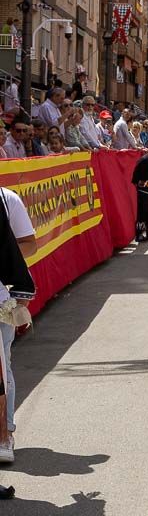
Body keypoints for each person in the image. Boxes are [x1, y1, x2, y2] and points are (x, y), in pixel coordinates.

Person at [0, 185, 38, 467]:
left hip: (1, 296)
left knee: (2, 367)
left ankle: (4, 435)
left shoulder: (6, 199)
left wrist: (18, 292)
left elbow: (24, 244)